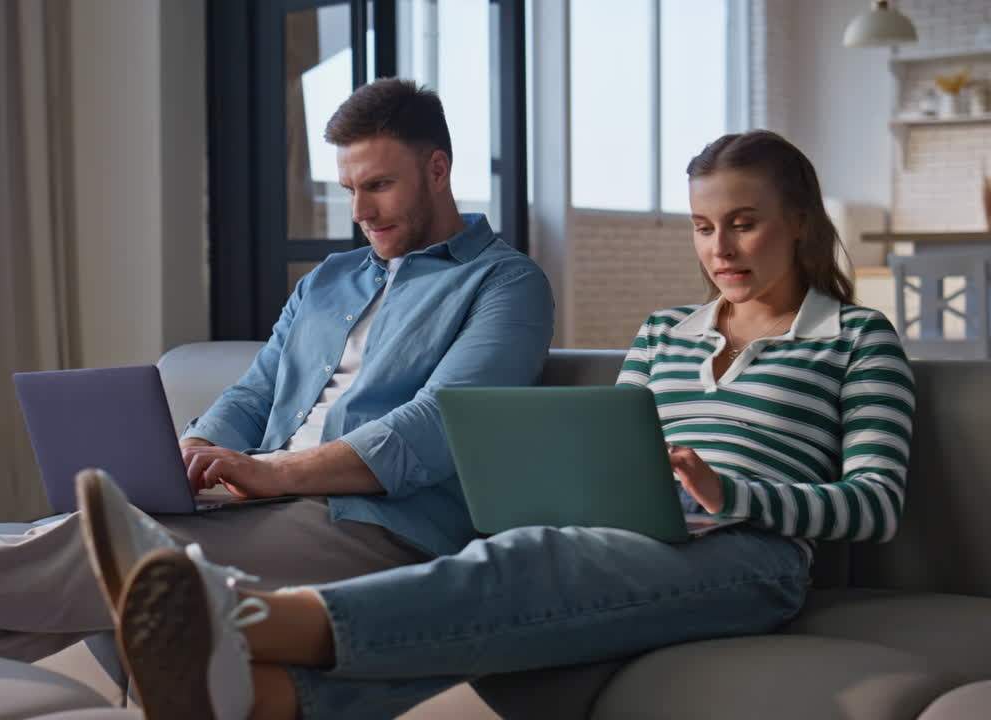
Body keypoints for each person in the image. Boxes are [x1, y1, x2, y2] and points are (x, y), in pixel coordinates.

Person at [0, 77, 554, 704]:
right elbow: (254, 393)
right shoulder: (330, 280)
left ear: (438, 169)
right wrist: (196, 450)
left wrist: (270, 474)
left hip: (381, 532)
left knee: (103, 547)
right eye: (349, 190)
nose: (361, 210)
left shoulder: (505, 285)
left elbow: (433, 431)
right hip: (263, 504)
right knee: (65, 538)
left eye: (380, 185)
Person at [79, 129, 917, 720]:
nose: (720, 248)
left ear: (799, 220)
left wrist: (733, 494)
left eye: (744, 223)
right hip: (637, 536)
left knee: (521, 564)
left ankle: (238, 617)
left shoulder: (856, 337)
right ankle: (260, 699)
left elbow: (876, 503)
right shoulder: (666, 331)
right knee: (527, 588)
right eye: (704, 227)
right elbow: (607, 443)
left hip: (753, 557)